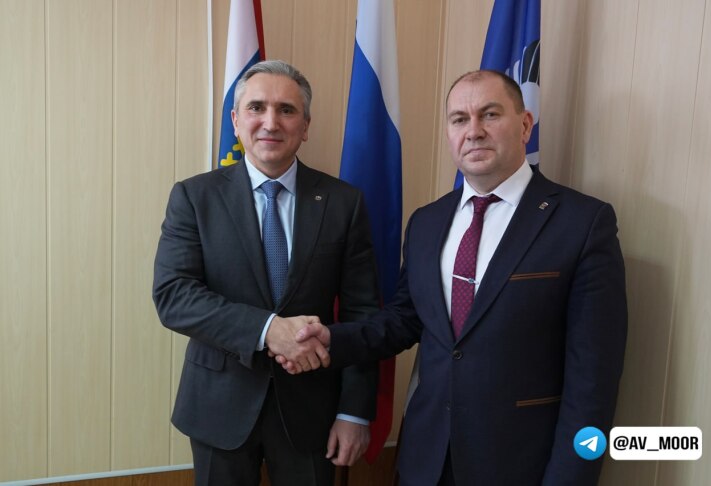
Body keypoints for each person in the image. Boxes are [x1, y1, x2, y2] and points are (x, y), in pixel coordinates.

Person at [279, 70, 628, 485]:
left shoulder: (582, 223)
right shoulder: (427, 222)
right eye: (460, 119)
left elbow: (593, 381)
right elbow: (404, 319)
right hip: (425, 459)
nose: (474, 131)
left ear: (525, 125)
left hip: (521, 466)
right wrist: (332, 339)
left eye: (490, 114)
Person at [152, 60, 380, 486]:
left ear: (305, 125)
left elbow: (362, 314)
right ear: (236, 121)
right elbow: (174, 297)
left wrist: (354, 411)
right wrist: (268, 330)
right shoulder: (194, 197)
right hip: (218, 408)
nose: (271, 122)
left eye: (286, 110)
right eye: (256, 108)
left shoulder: (343, 203)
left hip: (313, 412)